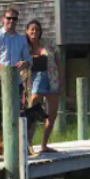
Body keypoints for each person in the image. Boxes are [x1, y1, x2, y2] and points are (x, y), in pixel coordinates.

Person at [23, 20, 62, 153]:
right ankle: (28, 146)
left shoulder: (49, 43)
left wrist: (61, 81)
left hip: (52, 79)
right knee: (32, 114)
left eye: (37, 30)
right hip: (35, 80)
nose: (34, 32)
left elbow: (58, 62)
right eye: (32, 29)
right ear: (27, 31)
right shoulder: (24, 46)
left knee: (52, 114)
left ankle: (44, 145)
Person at [0, 8, 30, 87]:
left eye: (14, 19)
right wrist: (2, 68)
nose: (11, 21)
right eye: (9, 18)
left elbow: (28, 59)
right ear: (3, 19)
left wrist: (24, 63)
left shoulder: (22, 39)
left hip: (16, 82)